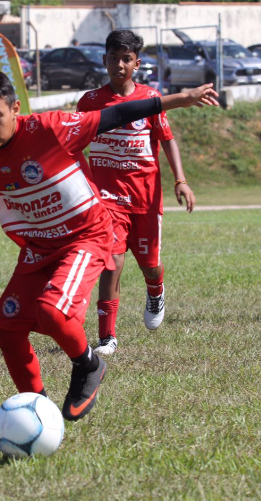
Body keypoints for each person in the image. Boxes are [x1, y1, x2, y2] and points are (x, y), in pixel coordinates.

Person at [0, 69, 216, 421]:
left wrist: (182, 98)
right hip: (40, 249)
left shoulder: (50, 128)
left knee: (52, 311)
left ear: (15, 109)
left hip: (87, 237)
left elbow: (118, 113)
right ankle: (37, 409)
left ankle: (88, 365)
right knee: (7, 329)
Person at [76, 30, 195, 356]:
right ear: (104, 60)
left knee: (150, 264)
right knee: (111, 262)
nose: (118, 64)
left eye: (125, 58)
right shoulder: (89, 102)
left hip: (145, 199)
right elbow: (75, 144)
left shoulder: (150, 99)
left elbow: (167, 139)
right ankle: (106, 338)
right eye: (113, 57)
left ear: (137, 64)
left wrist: (180, 180)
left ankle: (155, 290)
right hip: (106, 199)